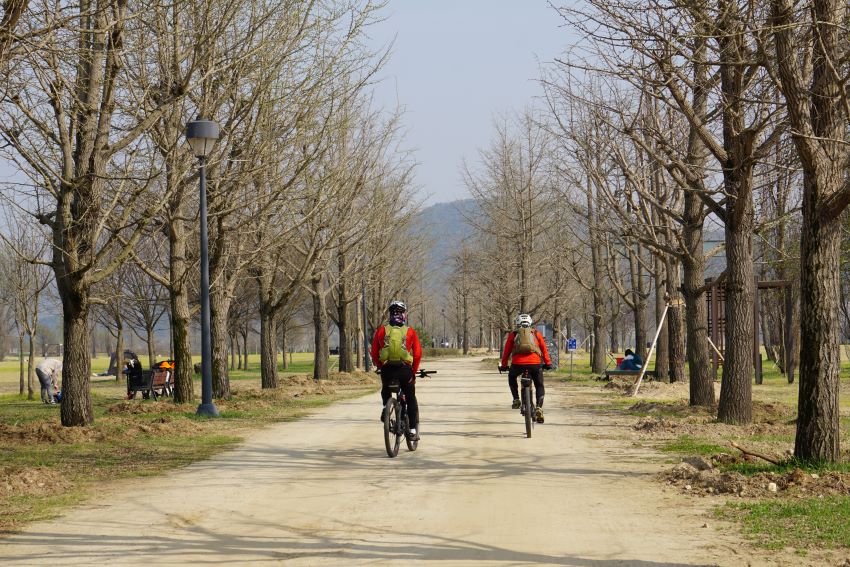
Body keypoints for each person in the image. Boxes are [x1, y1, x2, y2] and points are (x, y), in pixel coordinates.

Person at [370, 300, 423, 440]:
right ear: (404, 314)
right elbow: (417, 354)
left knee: (385, 389)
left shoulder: (382, 331)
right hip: (405, 370)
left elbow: (374, 352)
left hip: (387, 369)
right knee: (410, 398)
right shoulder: (410, 331)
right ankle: (412, 430)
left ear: (390, 314)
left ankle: (385, 409)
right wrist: (413, 370)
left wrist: (380, 367)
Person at [499, 314, 552, 423]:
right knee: (539, 384)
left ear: (518, 324)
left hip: (517, 364)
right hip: (535, 364)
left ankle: (516, 399)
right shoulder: (536, 333)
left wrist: (504, 365)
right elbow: (544, 350)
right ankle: (539, 407)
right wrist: (548, 363)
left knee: (512, 377)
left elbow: (506, 352)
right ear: (530, 323)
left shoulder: (513, 334)